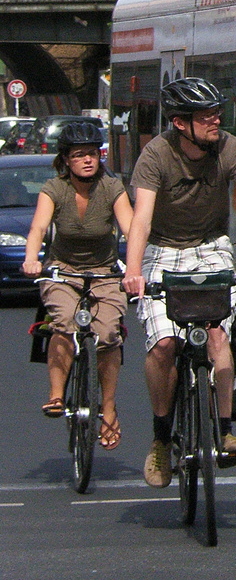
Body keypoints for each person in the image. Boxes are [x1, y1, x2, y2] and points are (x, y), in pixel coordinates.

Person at [121, 77, 236, 488]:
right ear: (180, 123)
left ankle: (224, 430)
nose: (216, 121)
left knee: (217, 337)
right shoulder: (156, 154)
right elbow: (141, 220)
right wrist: (133, 271)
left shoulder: (231, 148)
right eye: (206, 116)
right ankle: (159, 440)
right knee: (164, 345)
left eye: (217, 113)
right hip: (162, 250)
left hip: (211, 247)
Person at [21, 121, 133, 449]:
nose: (87, 160)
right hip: (64, 271)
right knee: (64, 322)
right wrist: (32, 259)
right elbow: (38, 229)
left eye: (93, 154)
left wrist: (137, 266)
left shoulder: (112, 188)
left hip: (104, 272)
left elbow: (129, 226)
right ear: (66, 160)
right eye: (79, 155)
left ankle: (108, 408)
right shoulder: (53, 189)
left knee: (109, 332)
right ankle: (57, 396)